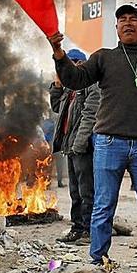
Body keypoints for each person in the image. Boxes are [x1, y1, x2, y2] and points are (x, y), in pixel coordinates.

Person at [47, 2, 137, 273]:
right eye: (122, 19)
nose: (128, 23)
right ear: (116, 27)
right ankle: (98, 262)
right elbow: (75, 79)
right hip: (109, 142)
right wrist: (58, 52)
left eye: (134, 19)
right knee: (103, 204)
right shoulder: (103, 57)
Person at [50, 48, 101, 244]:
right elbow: (56, 108)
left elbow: (90, 116)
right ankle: (77, 227)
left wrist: (79, 144)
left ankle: (88, 230)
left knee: (86, 190)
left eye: (70, 63)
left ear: (80, 64)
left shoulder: (91, 85)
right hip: (70, 146)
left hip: (83, 146)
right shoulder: (69, 88)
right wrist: (56, 86)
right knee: (74, 190)